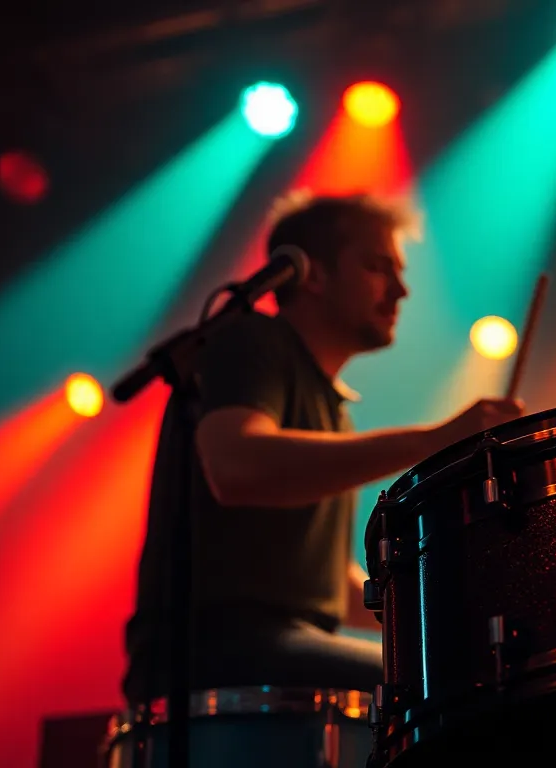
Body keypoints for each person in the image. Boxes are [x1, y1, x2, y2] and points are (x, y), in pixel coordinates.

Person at [122, 191, 525, 709]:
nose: (401, 290)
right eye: (379, 267)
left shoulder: (332, 410)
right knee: (449, 681)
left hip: (280, 643)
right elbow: (237, 465)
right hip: (212, 650)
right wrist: (432, 440)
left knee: (453, 660)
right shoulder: (251, 340)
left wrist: (440, 610)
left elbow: (329, 581)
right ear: (309, 273)